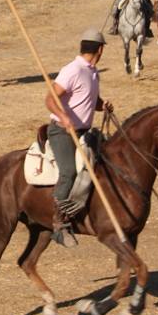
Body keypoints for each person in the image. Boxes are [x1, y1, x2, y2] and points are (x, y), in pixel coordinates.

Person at [45, 29, 113, 247]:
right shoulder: (72, 70)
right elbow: (49, 98)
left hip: (83, 131)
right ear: (100, 50)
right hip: (61, 131)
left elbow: (88, 98)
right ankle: (57, 223)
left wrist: (103, 105)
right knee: (69, 172)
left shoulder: (93, 72)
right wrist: (63, 116)